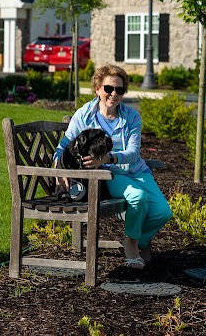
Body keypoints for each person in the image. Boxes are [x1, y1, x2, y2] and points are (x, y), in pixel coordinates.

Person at [53, 64, 172, 269]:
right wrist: (58, 170)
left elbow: (134, 154)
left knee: (163, 212)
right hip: (110, 175)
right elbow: (64, 144)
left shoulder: (132, 117)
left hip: (136, 170)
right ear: (98, 89)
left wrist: (107, 158)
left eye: (119, 90)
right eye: (108, 88)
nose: (113, 94)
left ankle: (137, 238)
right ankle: (132, 244)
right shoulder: (84, 115)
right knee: (138, 197)